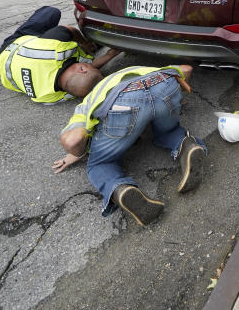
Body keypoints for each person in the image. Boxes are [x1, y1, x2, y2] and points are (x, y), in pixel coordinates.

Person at [53, 64, 208, 226]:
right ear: (85, 69)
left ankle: (121, 189)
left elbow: (73, 140)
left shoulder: (87, 102)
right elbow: (186, 69)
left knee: (98, 164)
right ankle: (187, 146)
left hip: (122, 104)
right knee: (169, 131)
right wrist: (177, 97)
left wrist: (78, 153)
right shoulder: (131, 69)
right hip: (162, 83)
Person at [0, 6, 120, 103]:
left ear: (81, 69)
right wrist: (109, 55)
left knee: (51, 12)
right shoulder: (52, 96)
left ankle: (39, 34)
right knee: (92, 48)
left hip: (12, 47)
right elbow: (82, 82)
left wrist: (84, 42)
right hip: (4, 65)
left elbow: (68, 29)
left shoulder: (55, 49)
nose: (90, 65)